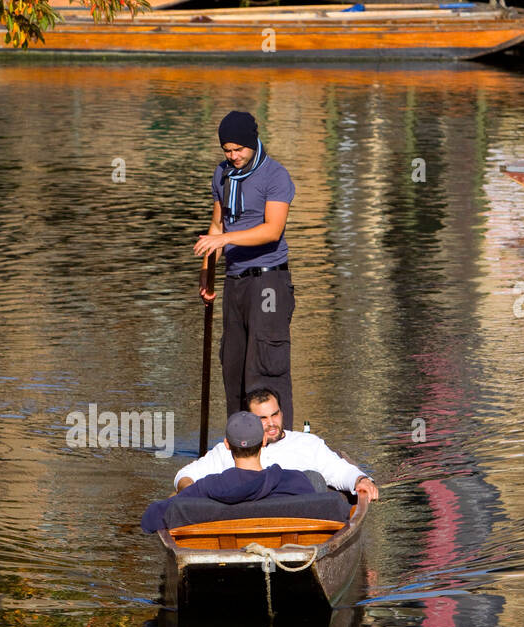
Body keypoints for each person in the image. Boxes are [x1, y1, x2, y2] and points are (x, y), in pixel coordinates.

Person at [194, 110, 298, 430]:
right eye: (227, 150)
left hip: (269, 281)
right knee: (234, 365)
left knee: (264, 366)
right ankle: (242, 443)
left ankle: (277, 442)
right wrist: (206, 278)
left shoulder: (275, 176)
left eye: (239, 149)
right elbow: (216, 227)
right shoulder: (222, 175)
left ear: (253, 143)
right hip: (235, 281)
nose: (234, 156)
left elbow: (272, 230)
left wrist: (226, 238)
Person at [174, 387, 379, 500]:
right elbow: (184, 477)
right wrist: (192, 495)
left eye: (275, 414)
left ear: (281, 413)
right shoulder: (229, 450)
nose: (272, 424)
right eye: (263, 418)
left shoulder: (307, 443)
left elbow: (339, 471)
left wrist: (360, 479)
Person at [141, 411, 316, 533]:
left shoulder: (206, 488)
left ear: (227, 444)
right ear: (264, 440)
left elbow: (150, 519)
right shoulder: (295, 480)